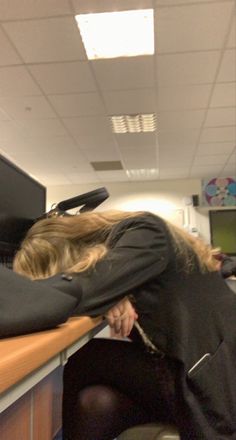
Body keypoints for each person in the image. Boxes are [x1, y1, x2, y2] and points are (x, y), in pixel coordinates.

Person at [13, 210, 236, 440]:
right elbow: (93, 286)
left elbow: (72, 293)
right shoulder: (133, 248)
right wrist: (110, 292)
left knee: (87, 357)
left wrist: (106, 292)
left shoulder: (148, 231)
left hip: (214, 389)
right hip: (200, 374)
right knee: (96, 402)